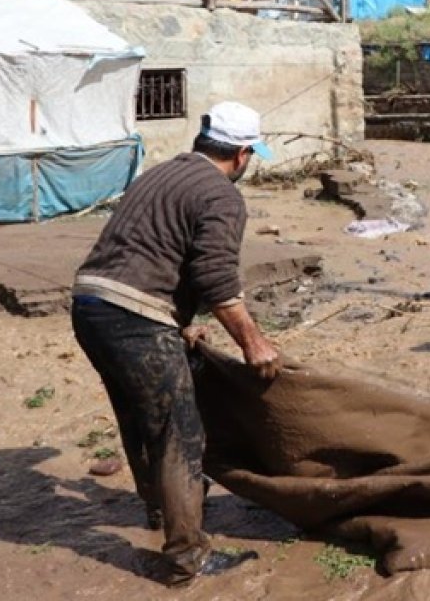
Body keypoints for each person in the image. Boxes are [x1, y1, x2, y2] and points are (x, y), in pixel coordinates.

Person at [70, 101, 281, 587]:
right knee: (179, 433)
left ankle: (158, 509)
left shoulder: (160, 174)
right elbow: (215, 278)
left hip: (90, 305)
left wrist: (179, 323)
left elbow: (151, 248)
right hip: (132, 316)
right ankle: (187, 558)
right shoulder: (222, 195)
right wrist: (254, 344)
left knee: (138, 417)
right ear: (243, 153)